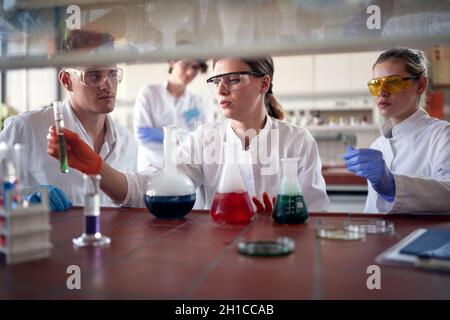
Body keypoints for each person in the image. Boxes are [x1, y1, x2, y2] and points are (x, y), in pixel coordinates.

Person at [47, 57, 329, 212]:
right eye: (216, 81)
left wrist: (286, 218)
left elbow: (318, 216)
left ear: (263, 83)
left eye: (233, 80)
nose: (220, 90)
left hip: (282, 254)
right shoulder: (205, 139)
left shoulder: (297, 141)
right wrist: (97, 168)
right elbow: (151, 185)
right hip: (218, 252)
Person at [0, 29, 138, 211]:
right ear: (66, 80)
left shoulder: (127, 142)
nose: (107, 85)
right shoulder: (26, 128)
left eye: (112, 73)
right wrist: (24, 197)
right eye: (94, 75)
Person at [343, 47, 450, 213]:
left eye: (393, 82)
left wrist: (392, 185)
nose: (382, 92)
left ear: (420, 85)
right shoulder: (377, 146)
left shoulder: (442, 135)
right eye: (376, 84)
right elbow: (372, 211)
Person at [133, 59, 209, 170]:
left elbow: (202, 138)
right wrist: (183, 137)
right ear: (172, 62)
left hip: (185, 171)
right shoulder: (149, 93)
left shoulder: (197, 102)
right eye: (186, 64)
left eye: (195, 68)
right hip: (152, 168)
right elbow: (142, 134)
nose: (190, 72)